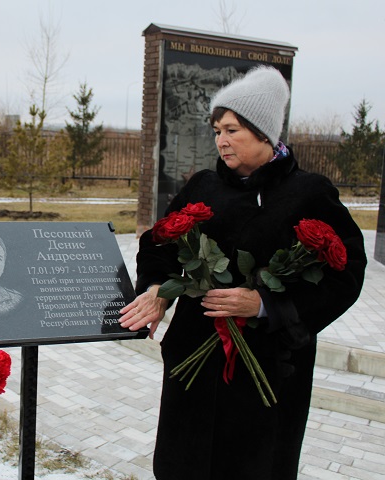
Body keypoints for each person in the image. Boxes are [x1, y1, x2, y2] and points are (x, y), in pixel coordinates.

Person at [119, 65, 366, 480]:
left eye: (232, 129)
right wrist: (159, 289)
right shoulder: (202, 186)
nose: (221, 140)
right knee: (184, 465)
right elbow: (159, 245)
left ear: (265, 133)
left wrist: (266, 304)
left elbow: (347, 274)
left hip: (267, 370)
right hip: (193, 363)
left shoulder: (310, 193)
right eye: (217, 129)